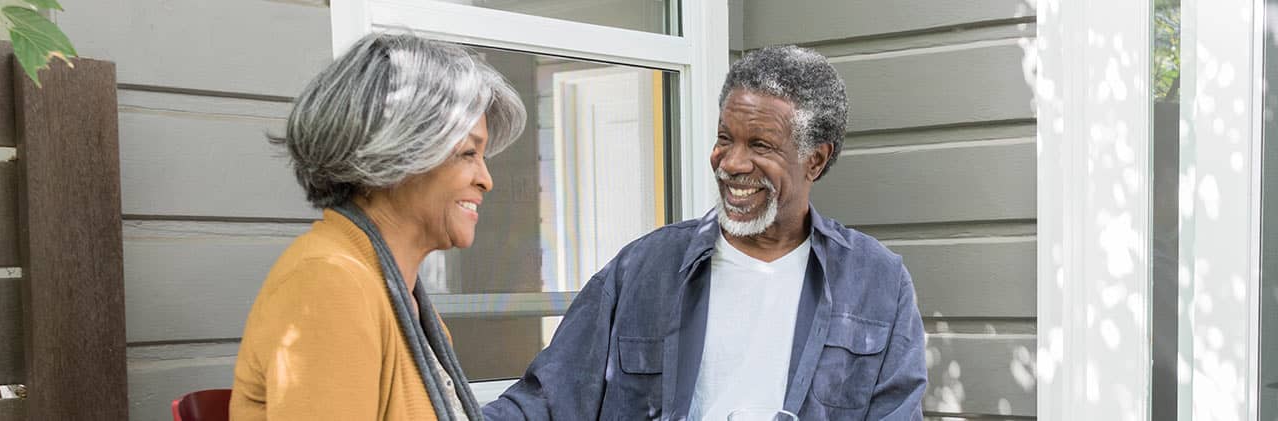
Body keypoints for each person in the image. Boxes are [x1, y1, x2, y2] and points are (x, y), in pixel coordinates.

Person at [482, 45, 928, 420]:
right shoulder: (643, 269)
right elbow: (544, 403)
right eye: (724, 138)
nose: (731, 163)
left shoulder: (877, 283)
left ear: (815, 159)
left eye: (760, 145)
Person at [231, 32, 526, 420]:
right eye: (468, 152)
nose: (486, 180)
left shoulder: (404, 300)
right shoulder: (328, 283)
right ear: (399, 153)